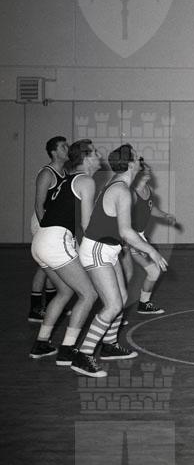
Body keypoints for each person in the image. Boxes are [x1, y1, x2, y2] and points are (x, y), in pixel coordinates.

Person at [74, 144, 168, 377]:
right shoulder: (122, 190)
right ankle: (83, 354)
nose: (140, 160)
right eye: (136, 157)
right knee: (113, 305)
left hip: (108, 249)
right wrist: (152, 252)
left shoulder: (118, 184)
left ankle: (109, 345)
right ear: (130, 164)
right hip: (98, 250)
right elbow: (126, 231)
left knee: (123, 299)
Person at [29, 139, 101, 369]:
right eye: (96, 152)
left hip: (41, 240)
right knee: (89, 294)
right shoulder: (86, 181)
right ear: (86, 158)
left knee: (64, 291)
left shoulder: (67, 179)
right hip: (55, 241)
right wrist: (103, 246)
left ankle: (41, 343)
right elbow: (87, 224)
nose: (99, 156)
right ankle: (67, 350)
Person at [120, 158, 178, 315]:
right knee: (128, 274)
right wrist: (127, 241)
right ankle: (113, 308)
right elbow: (121, 219)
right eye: (144, 169)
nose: (149, 170)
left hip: (139, 238)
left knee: (153, 271)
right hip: (129, 238)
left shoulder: (148, 190)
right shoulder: (130, 193)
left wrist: (165, 215)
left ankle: (143, 304)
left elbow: (150, 208)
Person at [28, 136, 69, 323]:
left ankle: (53, 304)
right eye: (63, 147)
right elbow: (39, 205)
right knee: (44, 267)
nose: (67, 149)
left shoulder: (65, 172)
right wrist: (45, 229)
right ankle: (35, 308)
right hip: (42, 222)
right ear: (54, 152)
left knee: (54, 265)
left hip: (55, 223)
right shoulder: (47, 173)